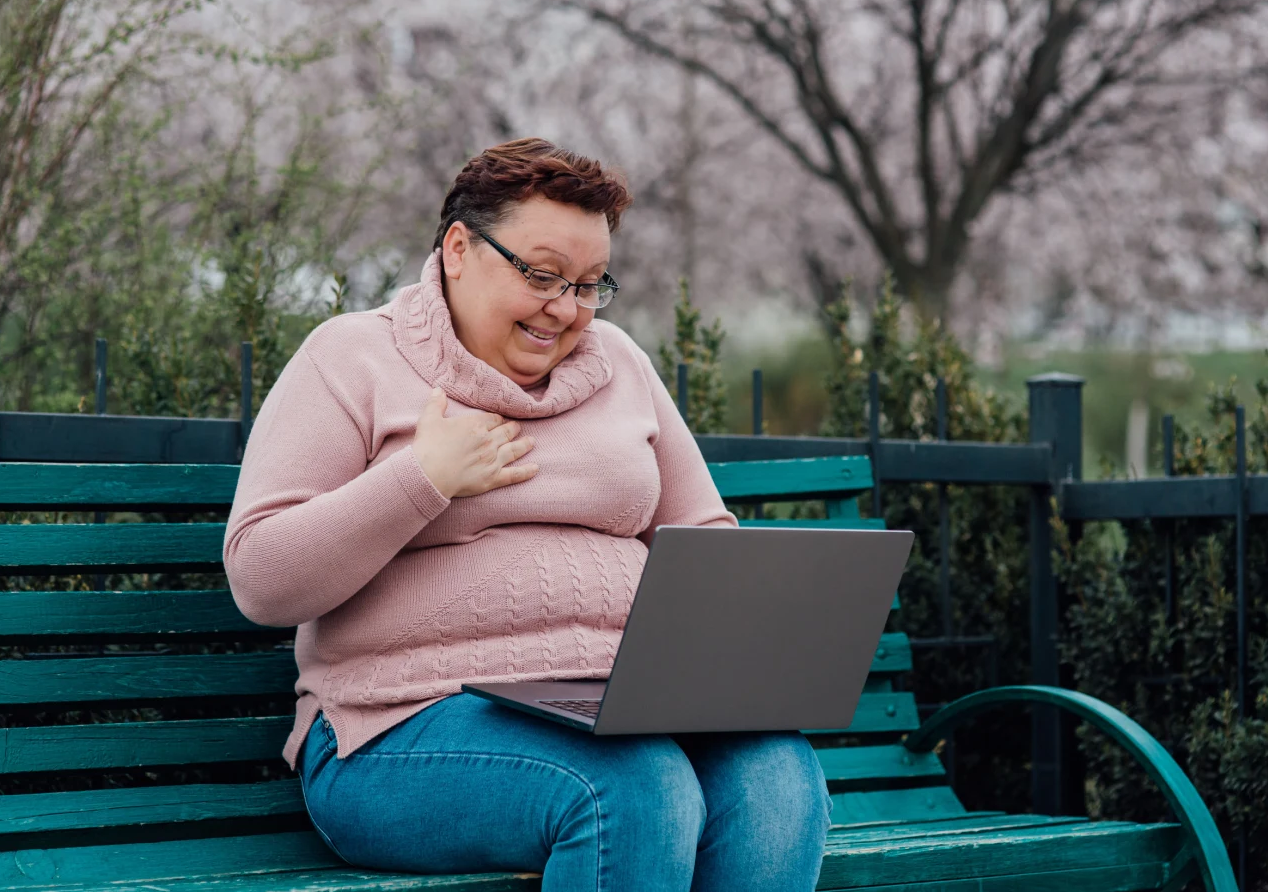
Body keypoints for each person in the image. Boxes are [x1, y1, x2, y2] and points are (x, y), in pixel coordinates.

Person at [223, 138, 832, 891]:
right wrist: (423, 479)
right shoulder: (351, 358)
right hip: (397, 725)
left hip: (615, 708)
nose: (565, 308)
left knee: (777, 778)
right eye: (541, 275)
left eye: (587, 284)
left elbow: (703, 540)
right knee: (633, 788)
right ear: (457, 249)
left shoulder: (621, 367)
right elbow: (261, 575)